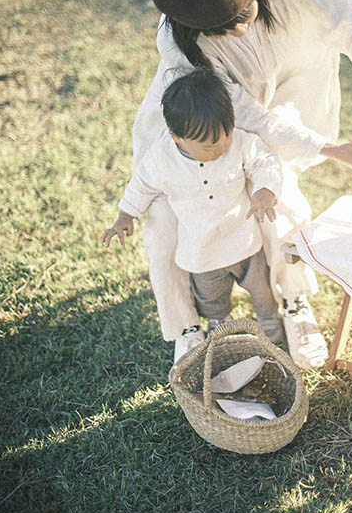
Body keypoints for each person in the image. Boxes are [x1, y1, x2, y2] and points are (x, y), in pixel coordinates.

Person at [131, 0, 352, 368]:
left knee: (279, 198)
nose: (242, 29)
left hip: (287, 92)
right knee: (169, 217)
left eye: (246, 13)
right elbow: (249, 117)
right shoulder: (179, 49)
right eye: (224, 28)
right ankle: (187, 325)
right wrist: (335, 150)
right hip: (199, 118)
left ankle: (295, 301)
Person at [102, 69, 285, 362]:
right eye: (209, 146)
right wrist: (125, 216)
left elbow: (265, 161)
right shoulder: (162, 157)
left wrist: (265, 189)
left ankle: (271, 325)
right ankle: (220, 332)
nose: (220, 148)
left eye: (224, 137)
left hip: (245, 241)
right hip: (202, 250)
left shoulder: (239, 142)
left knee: (262, 291)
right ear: (177, 137)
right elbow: (141, 184)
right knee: (212, 301)